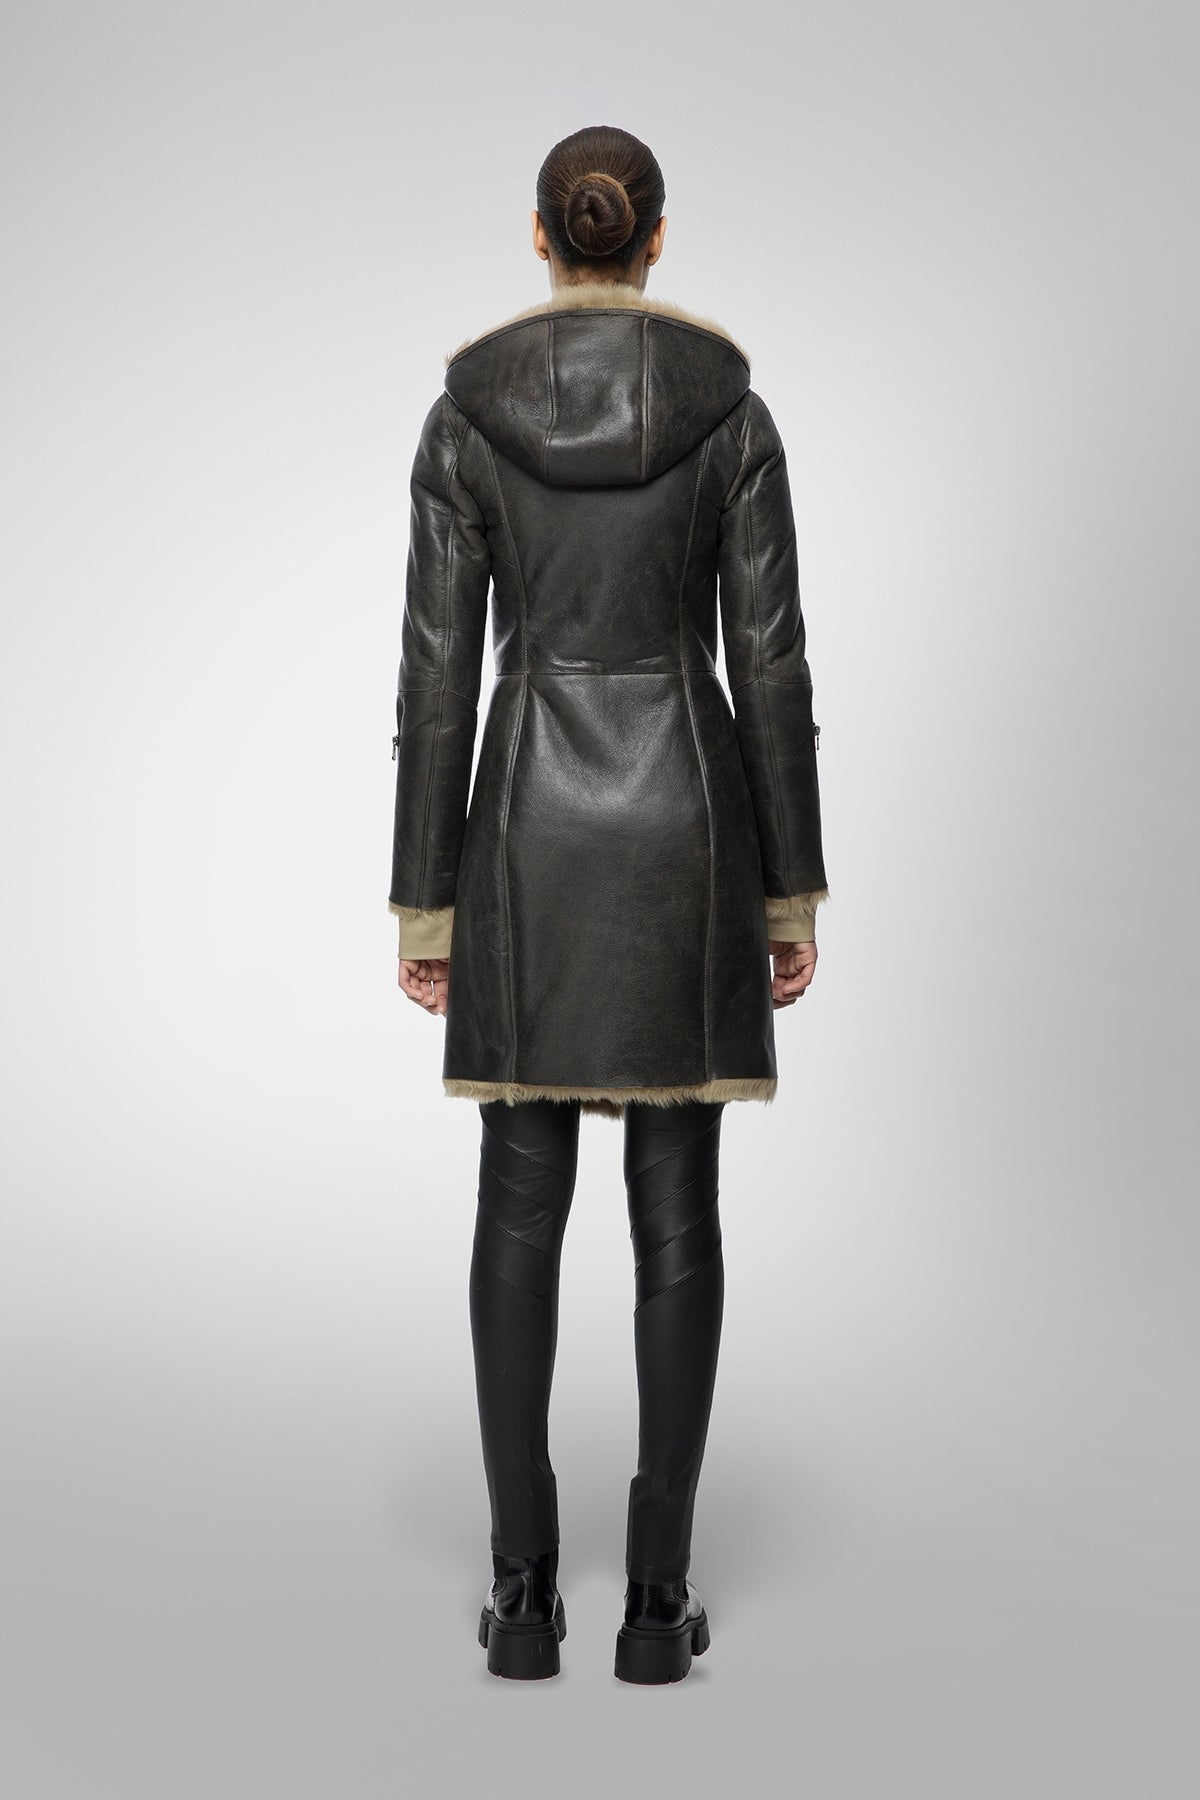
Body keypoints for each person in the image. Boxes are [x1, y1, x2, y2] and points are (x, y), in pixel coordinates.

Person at [388, 126, 829, 1684]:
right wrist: (790, 888)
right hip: (686, 827)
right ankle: (656, 1600)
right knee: (676, 1211)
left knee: (519, 1203)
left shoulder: (466, 418)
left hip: (524, 830)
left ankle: (521, 1596)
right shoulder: (734, 417)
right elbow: (769, 667)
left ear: (541, 236)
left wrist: (426, 907)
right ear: (655, 237)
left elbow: (438, 678)